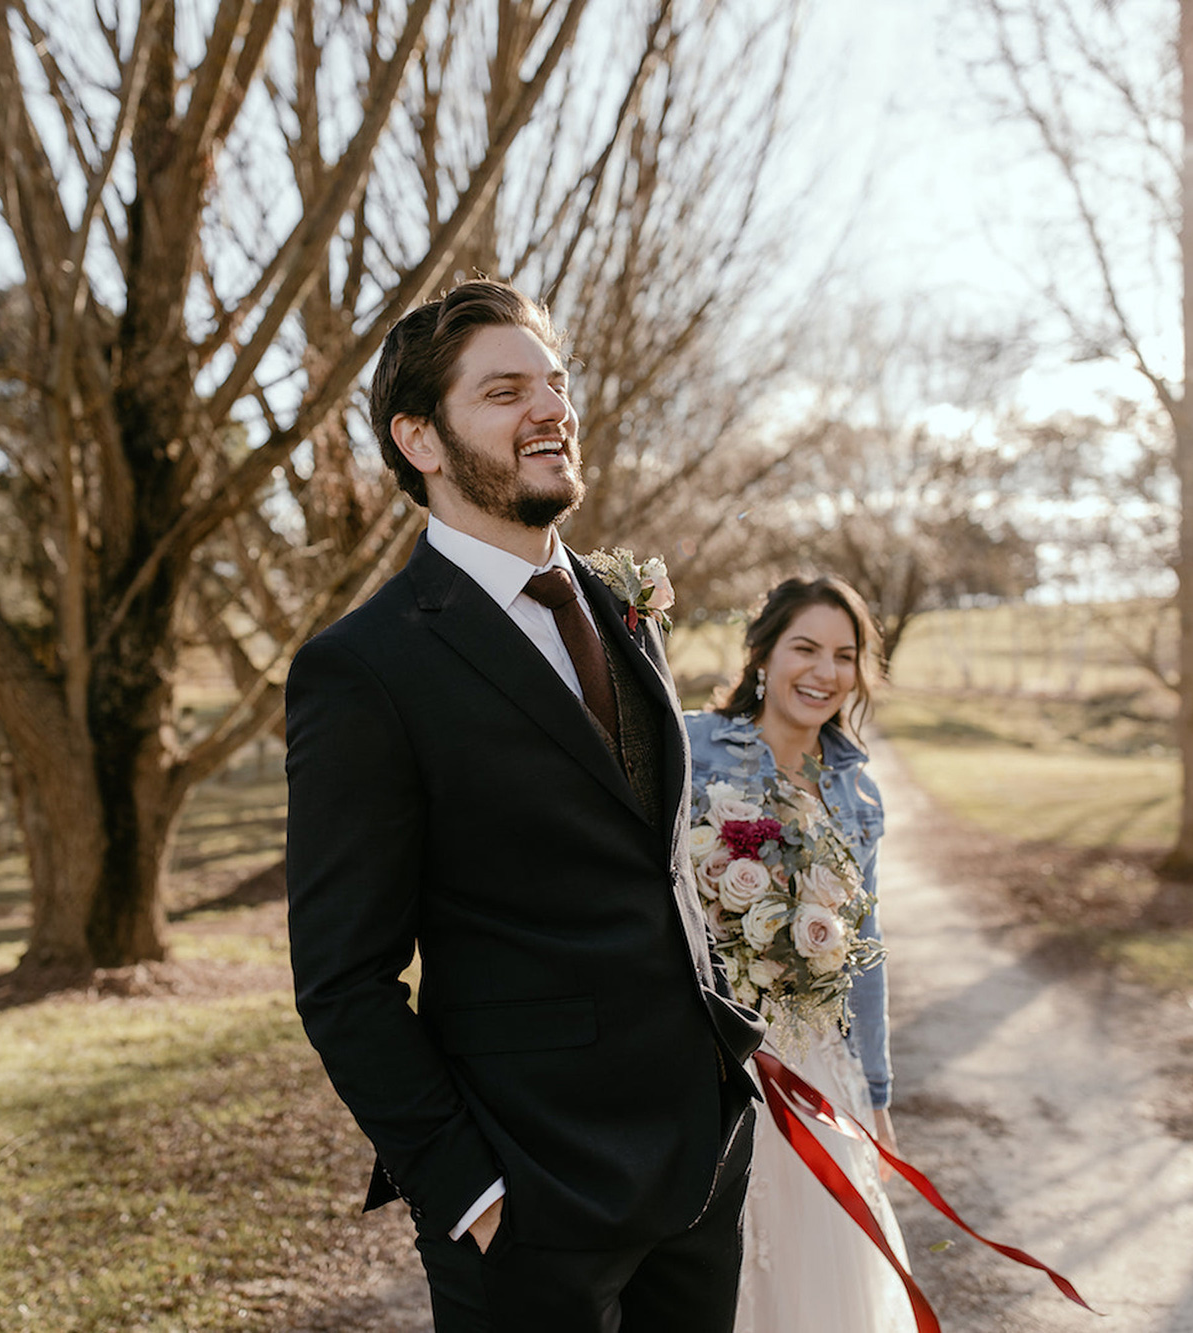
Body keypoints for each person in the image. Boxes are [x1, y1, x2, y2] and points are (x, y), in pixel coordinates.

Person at [284, 278, 766, 1332]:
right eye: (504, 392)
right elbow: (340, 980)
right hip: (530, 1201)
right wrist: (471, 1193)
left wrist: (726, 1080)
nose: (551, 408)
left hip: (697, 1165)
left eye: (553, 382)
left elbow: (647, 861)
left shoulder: (618, 611)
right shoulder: (364, 669)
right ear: (420, 437)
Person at [685, 575, 913, 1333]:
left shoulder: (857, 791)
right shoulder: (690, 747)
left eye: (844, 655)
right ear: (762, 654)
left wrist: (875, 1100)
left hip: (817, 1071)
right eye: (805, 648)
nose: (824, 672)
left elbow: (867, 960)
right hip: (707, 1063)